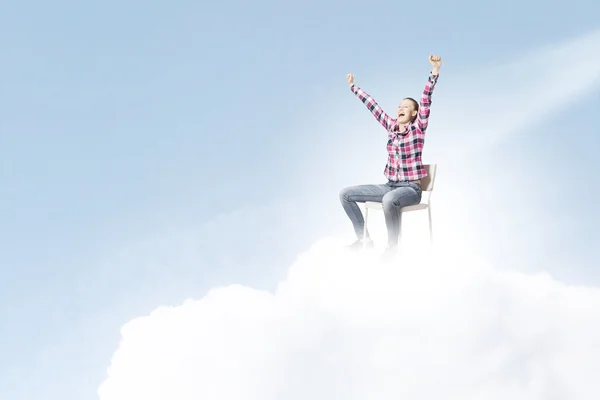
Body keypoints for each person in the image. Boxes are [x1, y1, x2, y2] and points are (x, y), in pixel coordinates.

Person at [339, 54, 441, 259]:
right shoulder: (391, 127)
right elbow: (373, 106)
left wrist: (434, 72)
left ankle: (392, 248)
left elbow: (426, 99)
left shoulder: (418, 128)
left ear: (413, 114)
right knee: (346, 194)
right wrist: (354, 87)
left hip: (411, 189)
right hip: (389, 186)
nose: (400, 108)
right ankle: (364, 240)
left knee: (388, 200)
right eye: (399, 106)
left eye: (405, 107)